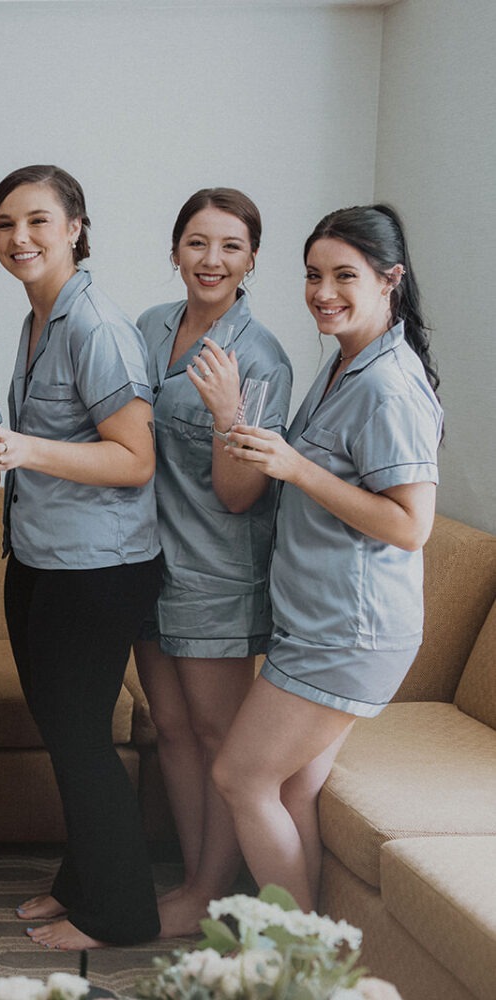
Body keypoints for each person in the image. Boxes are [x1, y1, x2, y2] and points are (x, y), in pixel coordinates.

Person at [213, 204, 440, 911]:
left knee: (240, 777)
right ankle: (312, 959)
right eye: (313, 275)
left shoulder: (385, 384)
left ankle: (294, 955)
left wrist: (295, 467)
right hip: (319, 620)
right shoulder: (346, 361)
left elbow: (411, 526)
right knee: (291, 787)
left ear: (389, 280)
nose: (323, 292)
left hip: (348, 630)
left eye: (344, 275)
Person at [0, 165, 161, 949]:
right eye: (6, 223)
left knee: (82, 741)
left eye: (39, 221)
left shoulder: (96, 326)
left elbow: (135, 458)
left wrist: (24, 449)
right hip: (44, 559)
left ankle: (120, 915)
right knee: (65, 736)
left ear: (76, 226)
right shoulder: (38, 317)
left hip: (97, 570)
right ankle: (81, 883)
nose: (20, 238)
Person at [132, 190, 293, 936]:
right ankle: (200, 880)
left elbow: (237, 495)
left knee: (214, 738)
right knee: (168, 725)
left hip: (216, 572)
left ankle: (207, 891)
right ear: (175, 251)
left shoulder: (260, 358)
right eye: (197, 243)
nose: (212, 260)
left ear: (251, 259)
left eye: (230, 246)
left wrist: (230, 412)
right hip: (144, 560)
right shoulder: (148, 328)